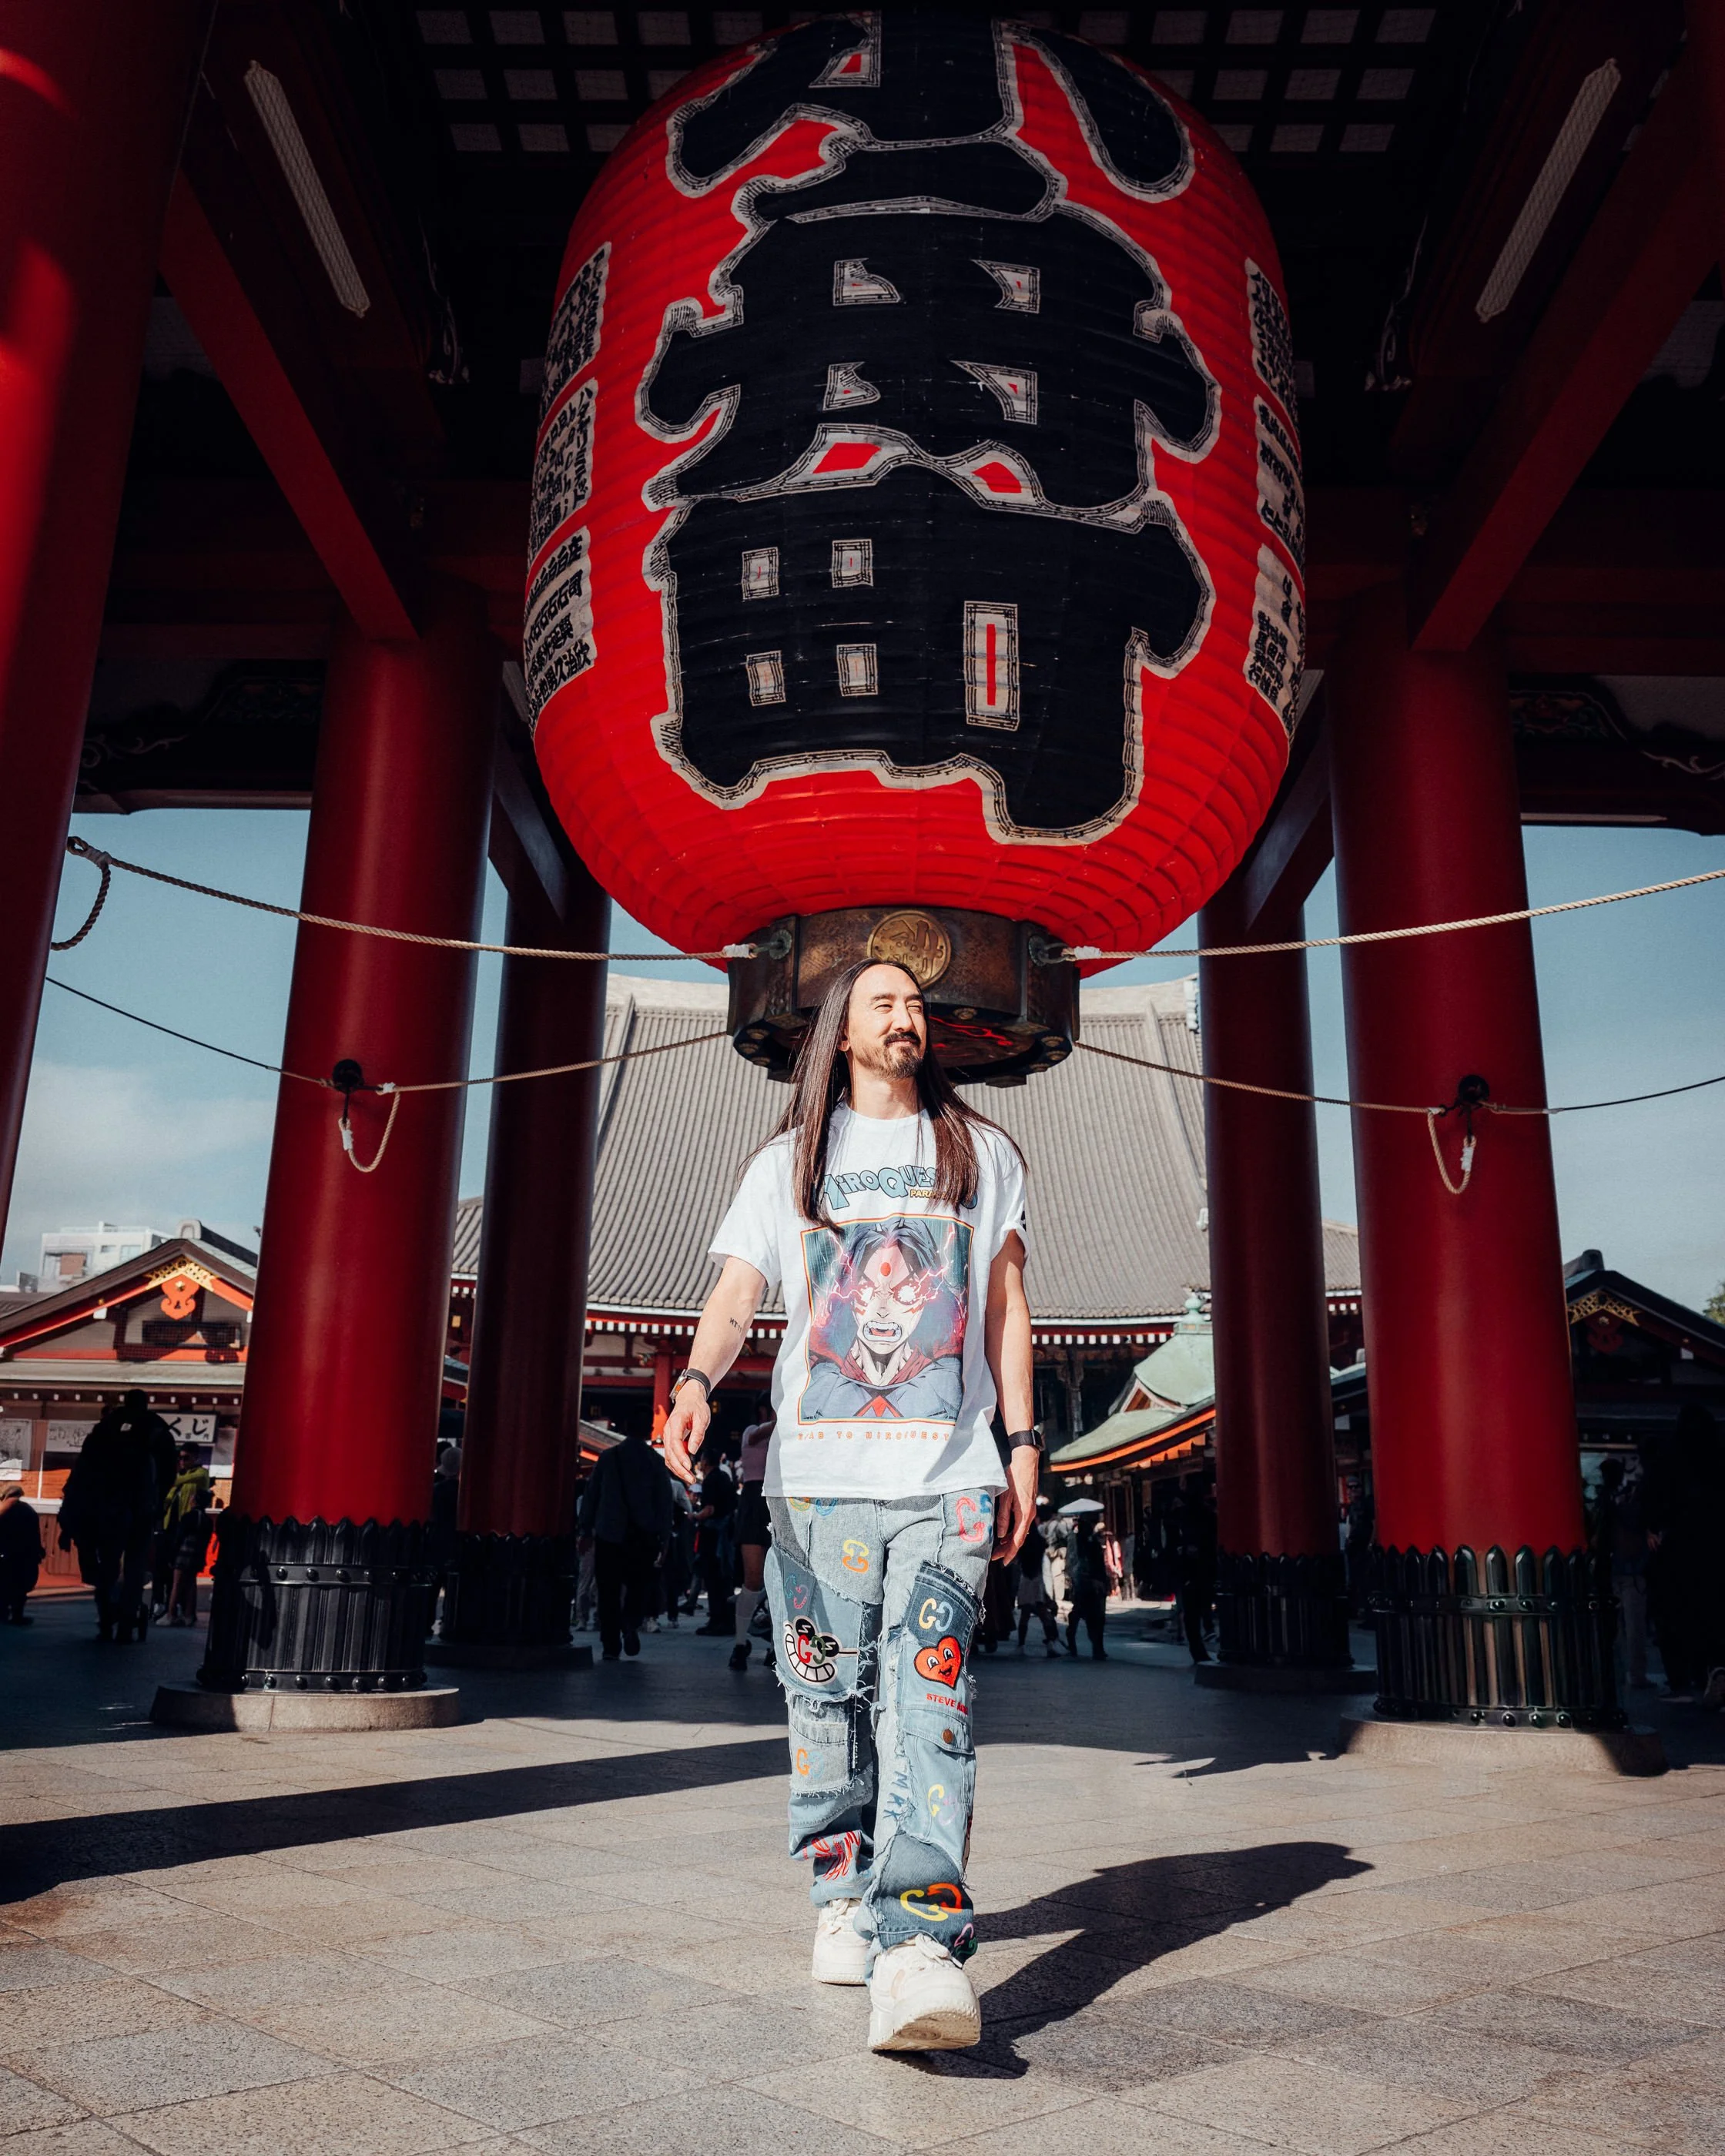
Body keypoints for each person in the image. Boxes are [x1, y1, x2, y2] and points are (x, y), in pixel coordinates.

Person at [661, 956, 1037, 2055]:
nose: (906, 1015)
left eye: (916, 1002)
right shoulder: (790, 1164)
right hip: (816, 1484)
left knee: (932, 1698)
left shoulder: (983, 1155)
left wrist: (1021, 1443)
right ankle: (840, 1890)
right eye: (883, 1001)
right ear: (840, 1030)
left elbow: (1010, 1305)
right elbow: (738, 1293)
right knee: (823, 1693)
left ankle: (921, 1941)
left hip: (947, 1478)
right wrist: (692, 1381)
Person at [59, 1394, 166, 1642]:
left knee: (107, 1566)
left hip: (106, 1511)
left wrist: (69, 1521)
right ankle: (127, 1623)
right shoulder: (153, 1431)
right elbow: (165, 1472)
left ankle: (107, 1618)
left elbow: (78, 1480)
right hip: (141, 1509)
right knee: (134, 1568)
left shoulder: (101, 1436)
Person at [577, 1424, 675, 1659]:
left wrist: (585, 1530)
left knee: (608, 1590)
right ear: (649, 1429)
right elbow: (664, 1501)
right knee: (638, 1587)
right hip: (643, 1536)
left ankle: (610, 1644)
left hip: (610, 1533)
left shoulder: (608, 1458)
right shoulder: (654, 1461)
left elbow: (592, 1495)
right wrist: (664, 1537)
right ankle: (630, 1622)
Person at [1592, 1456, 1650, 1691]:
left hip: (1607, 1568)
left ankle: (1609, 1672)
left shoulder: (1599, 1502)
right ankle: (1636, 1674)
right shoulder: (1625, 1501)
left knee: (1612, 1626)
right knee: (1635, 1625)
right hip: (1630, 1567)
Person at [731, 1394, 775, 1670]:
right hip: (753, 1501)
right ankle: (738, 1643)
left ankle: (774, 1646)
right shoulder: (751, 1431)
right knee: (753, 1579)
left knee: (778, 1580)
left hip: (778, 1499)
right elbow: (757, 1436)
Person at [161, 1445, 213, 1627]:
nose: (182, 1462)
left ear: (196, 1458)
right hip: (175, 1528)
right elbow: (167, 1500)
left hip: (185, 1530)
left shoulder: (199, 1475)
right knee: (187, 1577)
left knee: (178, 1575)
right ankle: (188, 1612)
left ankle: (171, 1611)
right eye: (180, 1458)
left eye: (186, 1458)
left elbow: (175, 1482)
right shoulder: (182, 1482)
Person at [1172, 1475, 1218, 1665]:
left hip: (1191, 1568)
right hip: (1203, 1567)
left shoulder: (1183, 1516)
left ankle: (1197, 1648)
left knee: (1192, 1613)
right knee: (1201, 1608)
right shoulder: (1208, 1515)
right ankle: (1203, 1640)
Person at [692, 1450, 738, 1635]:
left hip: (712, 1535)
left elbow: (709, 1509)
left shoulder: (710, 1481)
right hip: (726, 1535)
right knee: (724, 1578)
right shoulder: (725, 1478)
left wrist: (694, 1516)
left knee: (712, 1578)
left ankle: (717, 1620)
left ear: (705, 1461)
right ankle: (727, 1620)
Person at [1064, 1515, 1110, 1659]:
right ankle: (1097, 1647)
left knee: (1086, 1616)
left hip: (1087, 1584)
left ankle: (1093, 1646)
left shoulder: (1080, 1542)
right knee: (1094, 1617)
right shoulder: (1085, 1544)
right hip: (1090, 1585)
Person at [0, 1482, 45, 1623]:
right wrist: (38, 1551)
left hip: (5, 1554)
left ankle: (2, 1613)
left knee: (3, 1584)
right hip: (25, 1554)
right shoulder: (28, 1510)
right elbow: (34, 1534)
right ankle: (17, 1614)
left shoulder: (2, 1509)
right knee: (20, 1586)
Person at [1015, 1516, 1058, 1654]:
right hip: (1037, 1579)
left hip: (1026, 1579)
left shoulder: (1022, 1541)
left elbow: (1017, 1560)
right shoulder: (1040, 1541)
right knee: (1043, 1613)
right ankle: (1050, 1645)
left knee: (1025, 1615)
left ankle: (1021, 1646)